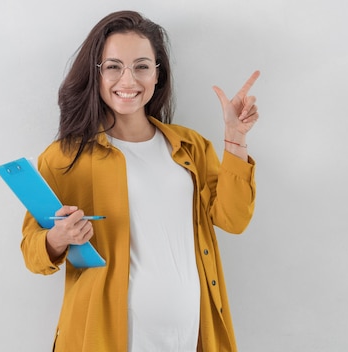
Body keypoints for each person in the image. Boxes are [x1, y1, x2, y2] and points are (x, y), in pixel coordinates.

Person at [20, 10, 259, 352]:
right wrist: (58, 238)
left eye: (142, 66)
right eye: (114, 66)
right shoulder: (65, 157)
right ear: (96, 73)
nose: (129, 81)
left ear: (158, 75)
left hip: (190, 335)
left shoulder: (190, 146)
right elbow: (33, 253)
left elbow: (233, 220)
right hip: (103, 337)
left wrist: (235, 142)